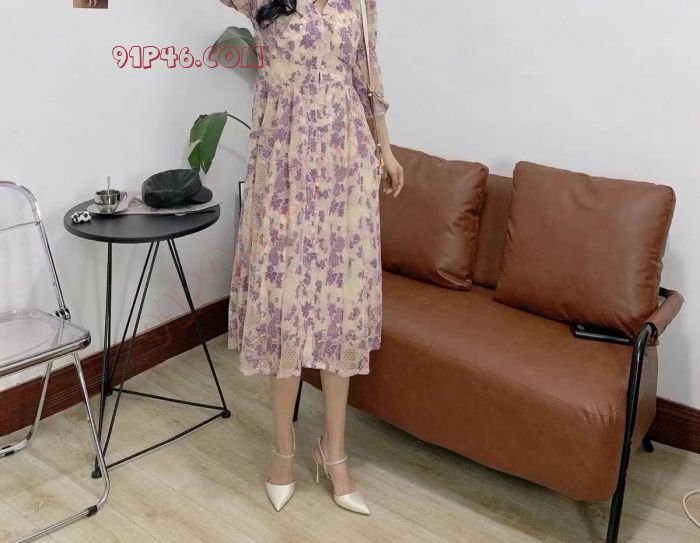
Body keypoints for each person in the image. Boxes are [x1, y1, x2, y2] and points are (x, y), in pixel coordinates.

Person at [220, 0, 403, 515]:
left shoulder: (359, 3)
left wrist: (386, 150)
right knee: (285, 308)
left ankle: (334, 452)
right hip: (281, 167)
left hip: (346, 163)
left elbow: (369, 79)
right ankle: (282, 450)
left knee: (339, 311)